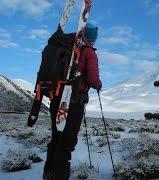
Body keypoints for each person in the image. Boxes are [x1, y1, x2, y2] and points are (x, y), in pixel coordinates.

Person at [43, 22, 102, 180]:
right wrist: (98, 84)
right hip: (73, 102)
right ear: (92, 38)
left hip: (56, 98)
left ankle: (48, 173)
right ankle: (59, 176)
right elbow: (93, 79)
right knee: (67, 142)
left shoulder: (64, 45)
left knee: (56, 137)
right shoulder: (89, 52)